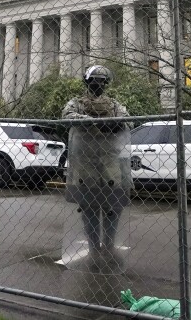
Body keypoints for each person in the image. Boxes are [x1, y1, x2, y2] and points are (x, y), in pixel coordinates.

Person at [62, 65, 131, 260]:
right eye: (94, 81)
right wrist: (92, 121)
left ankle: (109, 244)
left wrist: (115, 123)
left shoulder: (115, 104)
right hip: (85, 159)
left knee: (112, 206)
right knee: (89, 206)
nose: (98, 84)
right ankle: (93, 245)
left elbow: (128, 120)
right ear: (87, 82)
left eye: (101, 81)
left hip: (110, 158)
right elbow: (66, 116)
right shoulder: (77, 103)